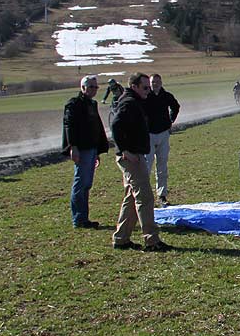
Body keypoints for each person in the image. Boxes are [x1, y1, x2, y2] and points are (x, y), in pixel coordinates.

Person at [109, 72, 170, 251]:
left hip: (135, 155)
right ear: (134, 86)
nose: (148, 91)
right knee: (145, 198)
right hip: (132, 158)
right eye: (145, 87)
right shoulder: (129, 103)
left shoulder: (135, 101)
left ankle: (121, 239)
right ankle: (152, 240)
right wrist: (125, 151)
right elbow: (115, 126)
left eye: (149, 88)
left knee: (131, 199)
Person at [61, 75, 110, 228]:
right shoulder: (74, 104)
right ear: (83, 88)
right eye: (91, 87)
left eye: (96, 87)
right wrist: (73, 147)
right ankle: (79, 219)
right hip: (81, 149)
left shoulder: (92, 104)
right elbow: (69, 125)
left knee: (87, 184)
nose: (94, 90)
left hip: (92, 148)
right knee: (80, 183)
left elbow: (96, 126)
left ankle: (83, 218)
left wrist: (98, 151)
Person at [143, 73, 181, 207]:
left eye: (158, 81)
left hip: (163, 134)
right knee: (146, 166)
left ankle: (162, 195)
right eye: (153, 82)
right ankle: (145, 195)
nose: (156, 84)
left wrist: (170, 121)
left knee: (162, 166)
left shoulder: (166, 95)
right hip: (148, 135)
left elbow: (175, 106)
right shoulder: (145, 97)